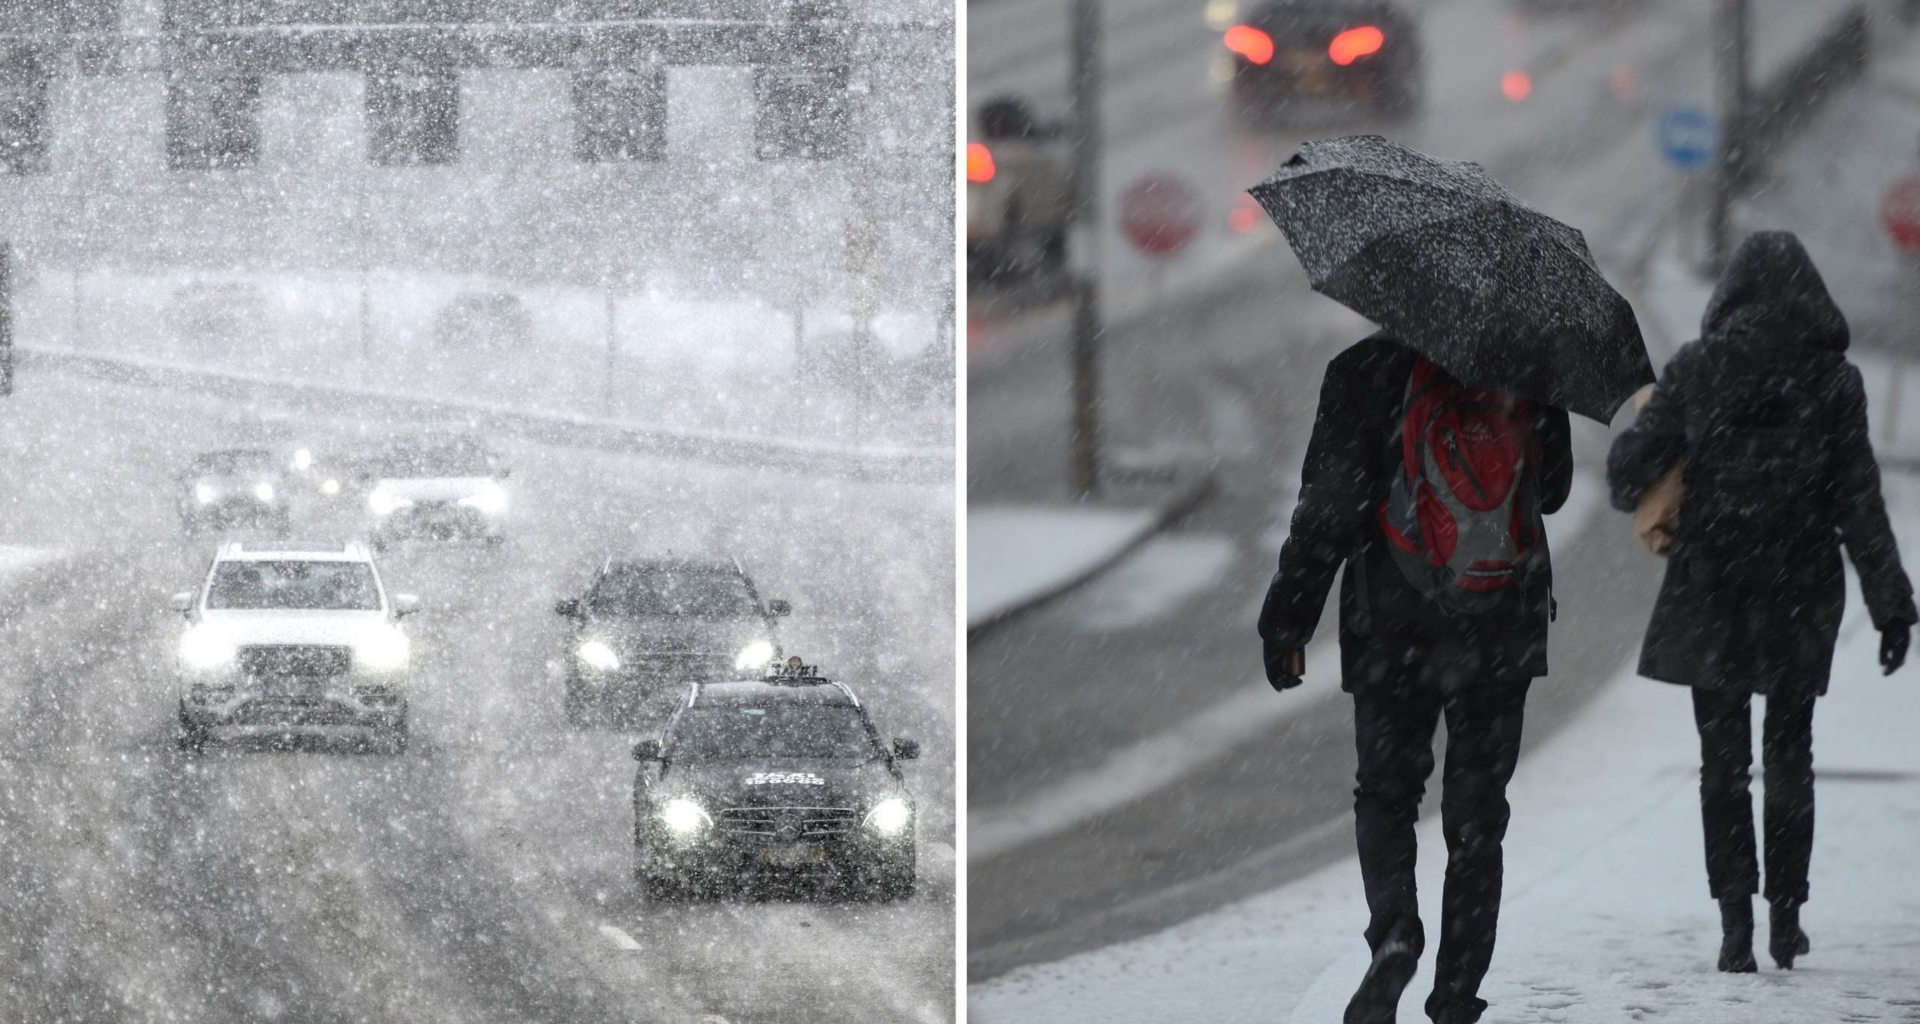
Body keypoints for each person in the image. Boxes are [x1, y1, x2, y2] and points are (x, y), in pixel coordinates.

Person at [1606, 230, 1914, 973]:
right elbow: (1859, 499)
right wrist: (1891, 600)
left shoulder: (1700, 368)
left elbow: (1623, 482)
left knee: (1722, 763)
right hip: (1799, 588)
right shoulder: (1833, 380)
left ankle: (1734, 922)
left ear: (1732, 295)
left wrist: (1656, 425)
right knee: (1789, 756)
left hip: (1713, 585)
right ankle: (1786, 917)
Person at [1259, 333, 1572, 1024]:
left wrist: (1287, 618)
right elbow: (1551, 492)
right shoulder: (1528, 367)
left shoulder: (1361, 371)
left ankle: (1396, 932)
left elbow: (1328, 511)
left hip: (1391, 621)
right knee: (1477, 816)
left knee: (1387, 795)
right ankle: (1458, 992)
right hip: (1500, 623)